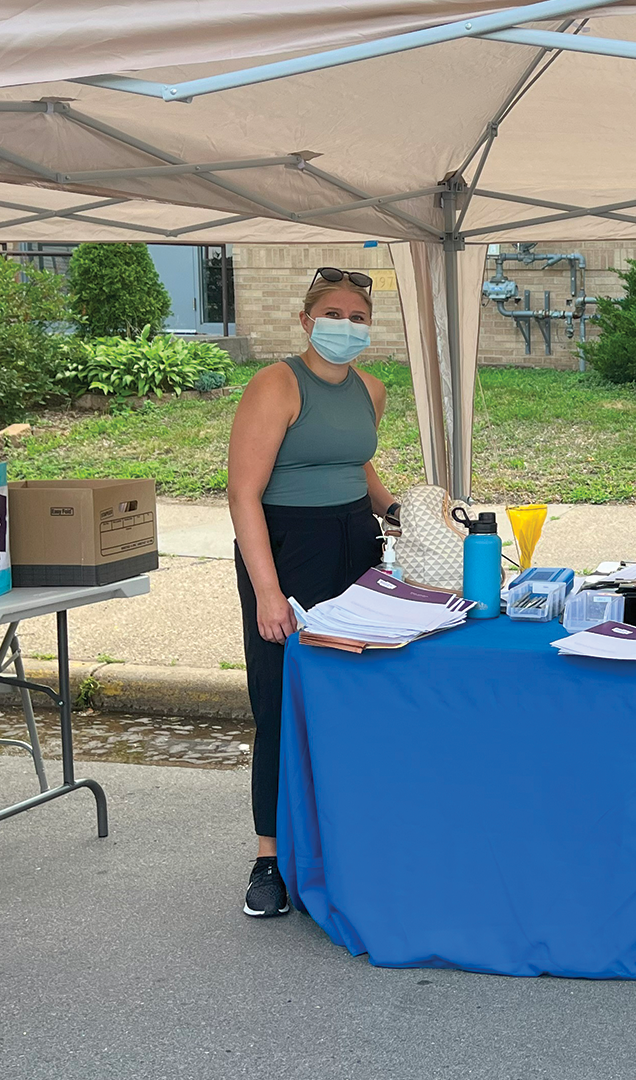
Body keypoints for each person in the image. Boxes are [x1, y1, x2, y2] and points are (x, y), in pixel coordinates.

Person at [228, 267, 401, 918]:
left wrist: (397, 510)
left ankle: (340, 835)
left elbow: (355, 459)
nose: (346, 328)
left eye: (359, 318)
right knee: (280, 698)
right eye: (334, 314)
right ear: (305, 321)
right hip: (285, 547)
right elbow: (243, 492)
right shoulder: (276, 385)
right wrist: (268, 593)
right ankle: (269, 855)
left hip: (355, 543)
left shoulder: (372, 390)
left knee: (349, 691)